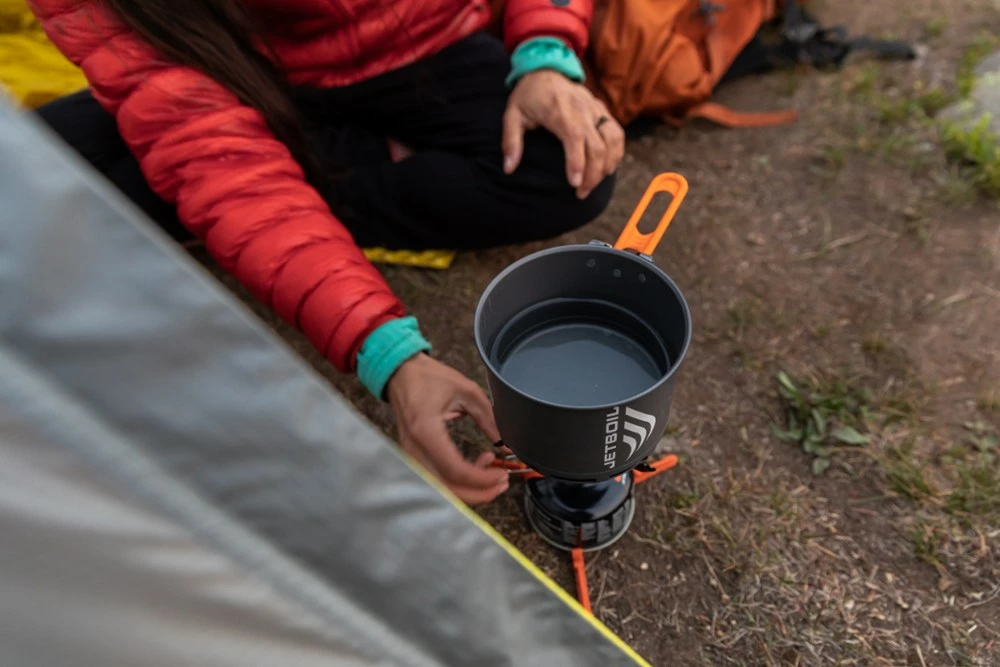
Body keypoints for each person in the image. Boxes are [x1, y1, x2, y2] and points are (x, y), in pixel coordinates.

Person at [28, 0, 625, 506]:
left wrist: (546, 55)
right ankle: (305, 173)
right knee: (29, 171)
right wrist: (391, 357)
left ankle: (279, 184)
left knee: (565, 168)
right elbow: (208, 153)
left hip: (427, 37)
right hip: (243, 71)